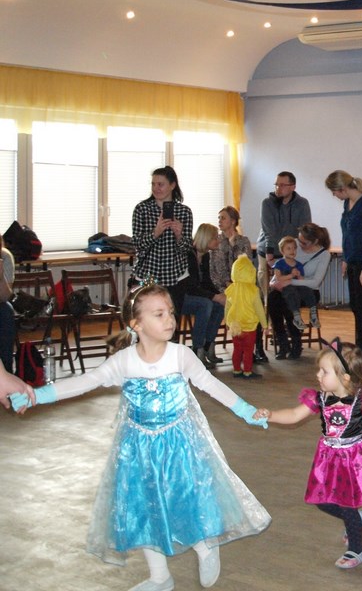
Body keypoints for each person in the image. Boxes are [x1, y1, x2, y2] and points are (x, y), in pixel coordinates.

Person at [9, 284, 270, 591]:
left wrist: (246, 410)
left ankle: (204, 546)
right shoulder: (124, 361)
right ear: (137, 324)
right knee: (144, 507)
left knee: (185, 499)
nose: (169, 319)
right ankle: (160, 577)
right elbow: (85, 382)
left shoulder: (180, 356)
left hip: (179, 447)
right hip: (137, 449)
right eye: (159, 314)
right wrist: (36, 396)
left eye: (170, 312)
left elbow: (211, 385)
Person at [257, 340, 362, 569]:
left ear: (344, 378)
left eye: (324, 371)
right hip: (328, 458)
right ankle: (355, 519)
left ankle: (356, 550)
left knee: (347, 504)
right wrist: (271, 415)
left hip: (354, 459)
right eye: (319, 370)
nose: (318, 375)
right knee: (322, 501)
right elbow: (294, 415)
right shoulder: (320, 398)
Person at [325, 170, 362, 366]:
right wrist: (345, 259)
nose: (334, 195)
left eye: (334, 191)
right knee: (356, 307)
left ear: (342, 188)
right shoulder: (347, 203)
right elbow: (347, 235)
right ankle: (361, 350)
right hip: (353, 262)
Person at [131, 166, 193, 320]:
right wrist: (155, 233)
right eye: (153, 184)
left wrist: (179, 235)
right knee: (147, 322)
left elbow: (186, 249)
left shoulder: (184, 212)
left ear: (172, 185)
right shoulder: (142, 209)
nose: (156, 188)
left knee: (171, 323)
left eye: (160, 184)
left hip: (176, 276)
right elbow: (137, 244)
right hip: (148, 275)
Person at [267, 223, 331, 359]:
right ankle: (282, 343)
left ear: (315, 241)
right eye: (298, 240)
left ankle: (296, 343)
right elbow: (281, 267)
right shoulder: (294, 245)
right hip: (287, 286)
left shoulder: (324, 255)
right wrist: (273, 282)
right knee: (273, 299)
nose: (298, 245)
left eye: (303, 242)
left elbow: (315, 282)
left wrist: (290, 281)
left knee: (288, 302)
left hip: (308, 291)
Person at [210, 205, 259, 363]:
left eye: (223, 218)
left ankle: (254, 348)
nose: (220, 221)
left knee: (253, 302)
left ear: (232, 221)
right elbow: (216, 268)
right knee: (229, 302)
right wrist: (227, 285)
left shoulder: (243, 241)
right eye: (219, 218)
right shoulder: (216, 241)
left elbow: (245, 264)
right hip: (223, 285)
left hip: (243, 284)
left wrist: (238, 286)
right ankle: (218, 347)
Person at [257, 171, 312, 301]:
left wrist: (302, 250)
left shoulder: (302, 204)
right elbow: (269, 231)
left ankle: (289, 309)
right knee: (264, 281)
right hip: (268, 248)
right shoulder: (267, 203)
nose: (278, 188)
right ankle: (265, 309)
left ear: (293, 187)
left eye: (282, 185)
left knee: (288, 284)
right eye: (276, 185)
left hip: (290, 250)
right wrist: (270, 253)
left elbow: (304, 230)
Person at [179, 222, 226, 368]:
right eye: (215, 238)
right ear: (206, 238)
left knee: (219, 305)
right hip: (181, 297)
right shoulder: (188, 255)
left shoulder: (205, 256)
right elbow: (190, 287)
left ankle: (208, 345)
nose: (218, 241)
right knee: (205, 304)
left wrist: (220, 295)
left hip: (194, 294)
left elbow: (206, 282)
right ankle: (197, 348)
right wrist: (214, 296)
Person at [226, 255, 267, 379]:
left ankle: (236, 370)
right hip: (249, 327)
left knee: (237, 349)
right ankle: (247, 371)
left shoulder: (231, 289)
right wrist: (265, 324)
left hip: (235, 327)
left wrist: (228, 323)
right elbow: (259, 310)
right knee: (248, 350)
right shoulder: (253, 290)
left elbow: (227, 308)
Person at [273, 236, 317, 332]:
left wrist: (299, 275)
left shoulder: (298, 264)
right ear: (282, 251)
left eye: (294, 248)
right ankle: (296, 317)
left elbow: (301, 279)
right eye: (288, 248)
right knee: (292, 293)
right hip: (286, 288)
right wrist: (291, 275)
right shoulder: (279, 264)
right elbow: (278, 278)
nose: (292, 251)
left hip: (297, 286)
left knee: (308, 290)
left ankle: (313, 313)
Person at [0, 233, 16, 373]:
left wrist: (1, 277)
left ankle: (6, 370)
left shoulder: (5, 257)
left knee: (6, 310)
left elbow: (5, 296)